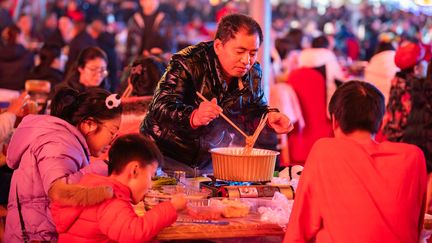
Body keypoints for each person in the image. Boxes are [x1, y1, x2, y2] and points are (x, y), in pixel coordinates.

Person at [141, 13, 292, 176]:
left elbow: (255, 108)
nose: (246, 60)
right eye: (240, 51)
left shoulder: (253, 72)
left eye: (253, 53)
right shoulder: (188, 62)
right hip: (166, 156)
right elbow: (160, 105)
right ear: (219, 46)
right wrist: (193, 116)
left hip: (210, 159)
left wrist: (269, 117)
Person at [284, 81, 427, 243]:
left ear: (334, 121)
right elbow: (415, 228)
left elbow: (297, 233)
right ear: (380, 122)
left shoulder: (325, 151)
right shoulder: (413, 157)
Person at [4, 87, 122, 242]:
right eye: (112, 133)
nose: (112, 141)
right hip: (36, 237)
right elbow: (59, 193)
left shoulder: (66, 141)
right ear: (89, 125)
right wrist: (103, 168)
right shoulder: (58, 142)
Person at [51, 133, 187, 242]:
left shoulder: (92, 188)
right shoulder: (110, 200)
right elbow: (133, 233)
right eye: (151, 176)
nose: (150, 185)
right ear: (134, 170)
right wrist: (171, 207)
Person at [381, 42, 429, 142]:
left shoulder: (397, 82)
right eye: (425, 61)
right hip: (406, 142)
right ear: (416, 69)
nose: (427, 65)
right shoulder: (414, 89)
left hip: (390, 138)